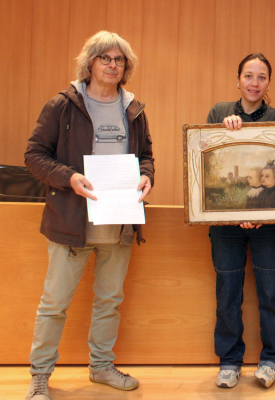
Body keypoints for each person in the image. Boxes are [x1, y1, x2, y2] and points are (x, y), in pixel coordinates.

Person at [23, 31, 154, 400]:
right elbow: (34, 156)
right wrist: (70, 177)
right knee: (54, 304)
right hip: (72, 222)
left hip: (119, 221)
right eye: (106, 58)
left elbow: (146, 156)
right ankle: (40, 376)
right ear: (90, 63)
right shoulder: (62, 105)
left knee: (109, 300)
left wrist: (147, 176)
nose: (113, 65)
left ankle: (100, 367)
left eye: (120, 60)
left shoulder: (134, 108)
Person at [206, 53, 275, 389]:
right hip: (226, 226)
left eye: (261, 77)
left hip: (268, 225)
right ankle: (229, 361)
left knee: (272, 294)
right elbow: (209, 160)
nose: (254, 83)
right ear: (238, 79)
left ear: (268, 82)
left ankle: (274, 359)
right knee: (227, 292)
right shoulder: (218, 113)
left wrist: (259, 214)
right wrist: (222, 131)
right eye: (248, 76)